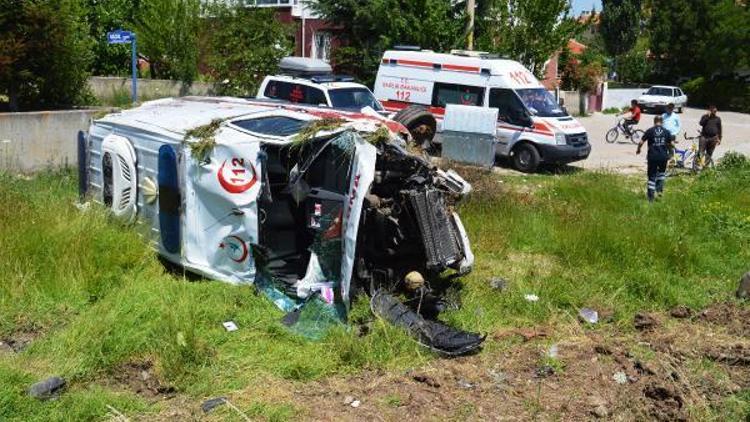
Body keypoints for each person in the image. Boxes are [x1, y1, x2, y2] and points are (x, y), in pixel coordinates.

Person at [637, 115, 673, 202]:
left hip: (652, 157)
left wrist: (638, 149)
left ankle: (650, 198)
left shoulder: (650, 131)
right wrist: (671, 153)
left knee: (652, 176)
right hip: (663, 157)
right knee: (661, 174)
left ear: (654, 121)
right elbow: (670, 144)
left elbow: (641, 142)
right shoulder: (666, 132)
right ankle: (659, 190)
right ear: (662, 122)